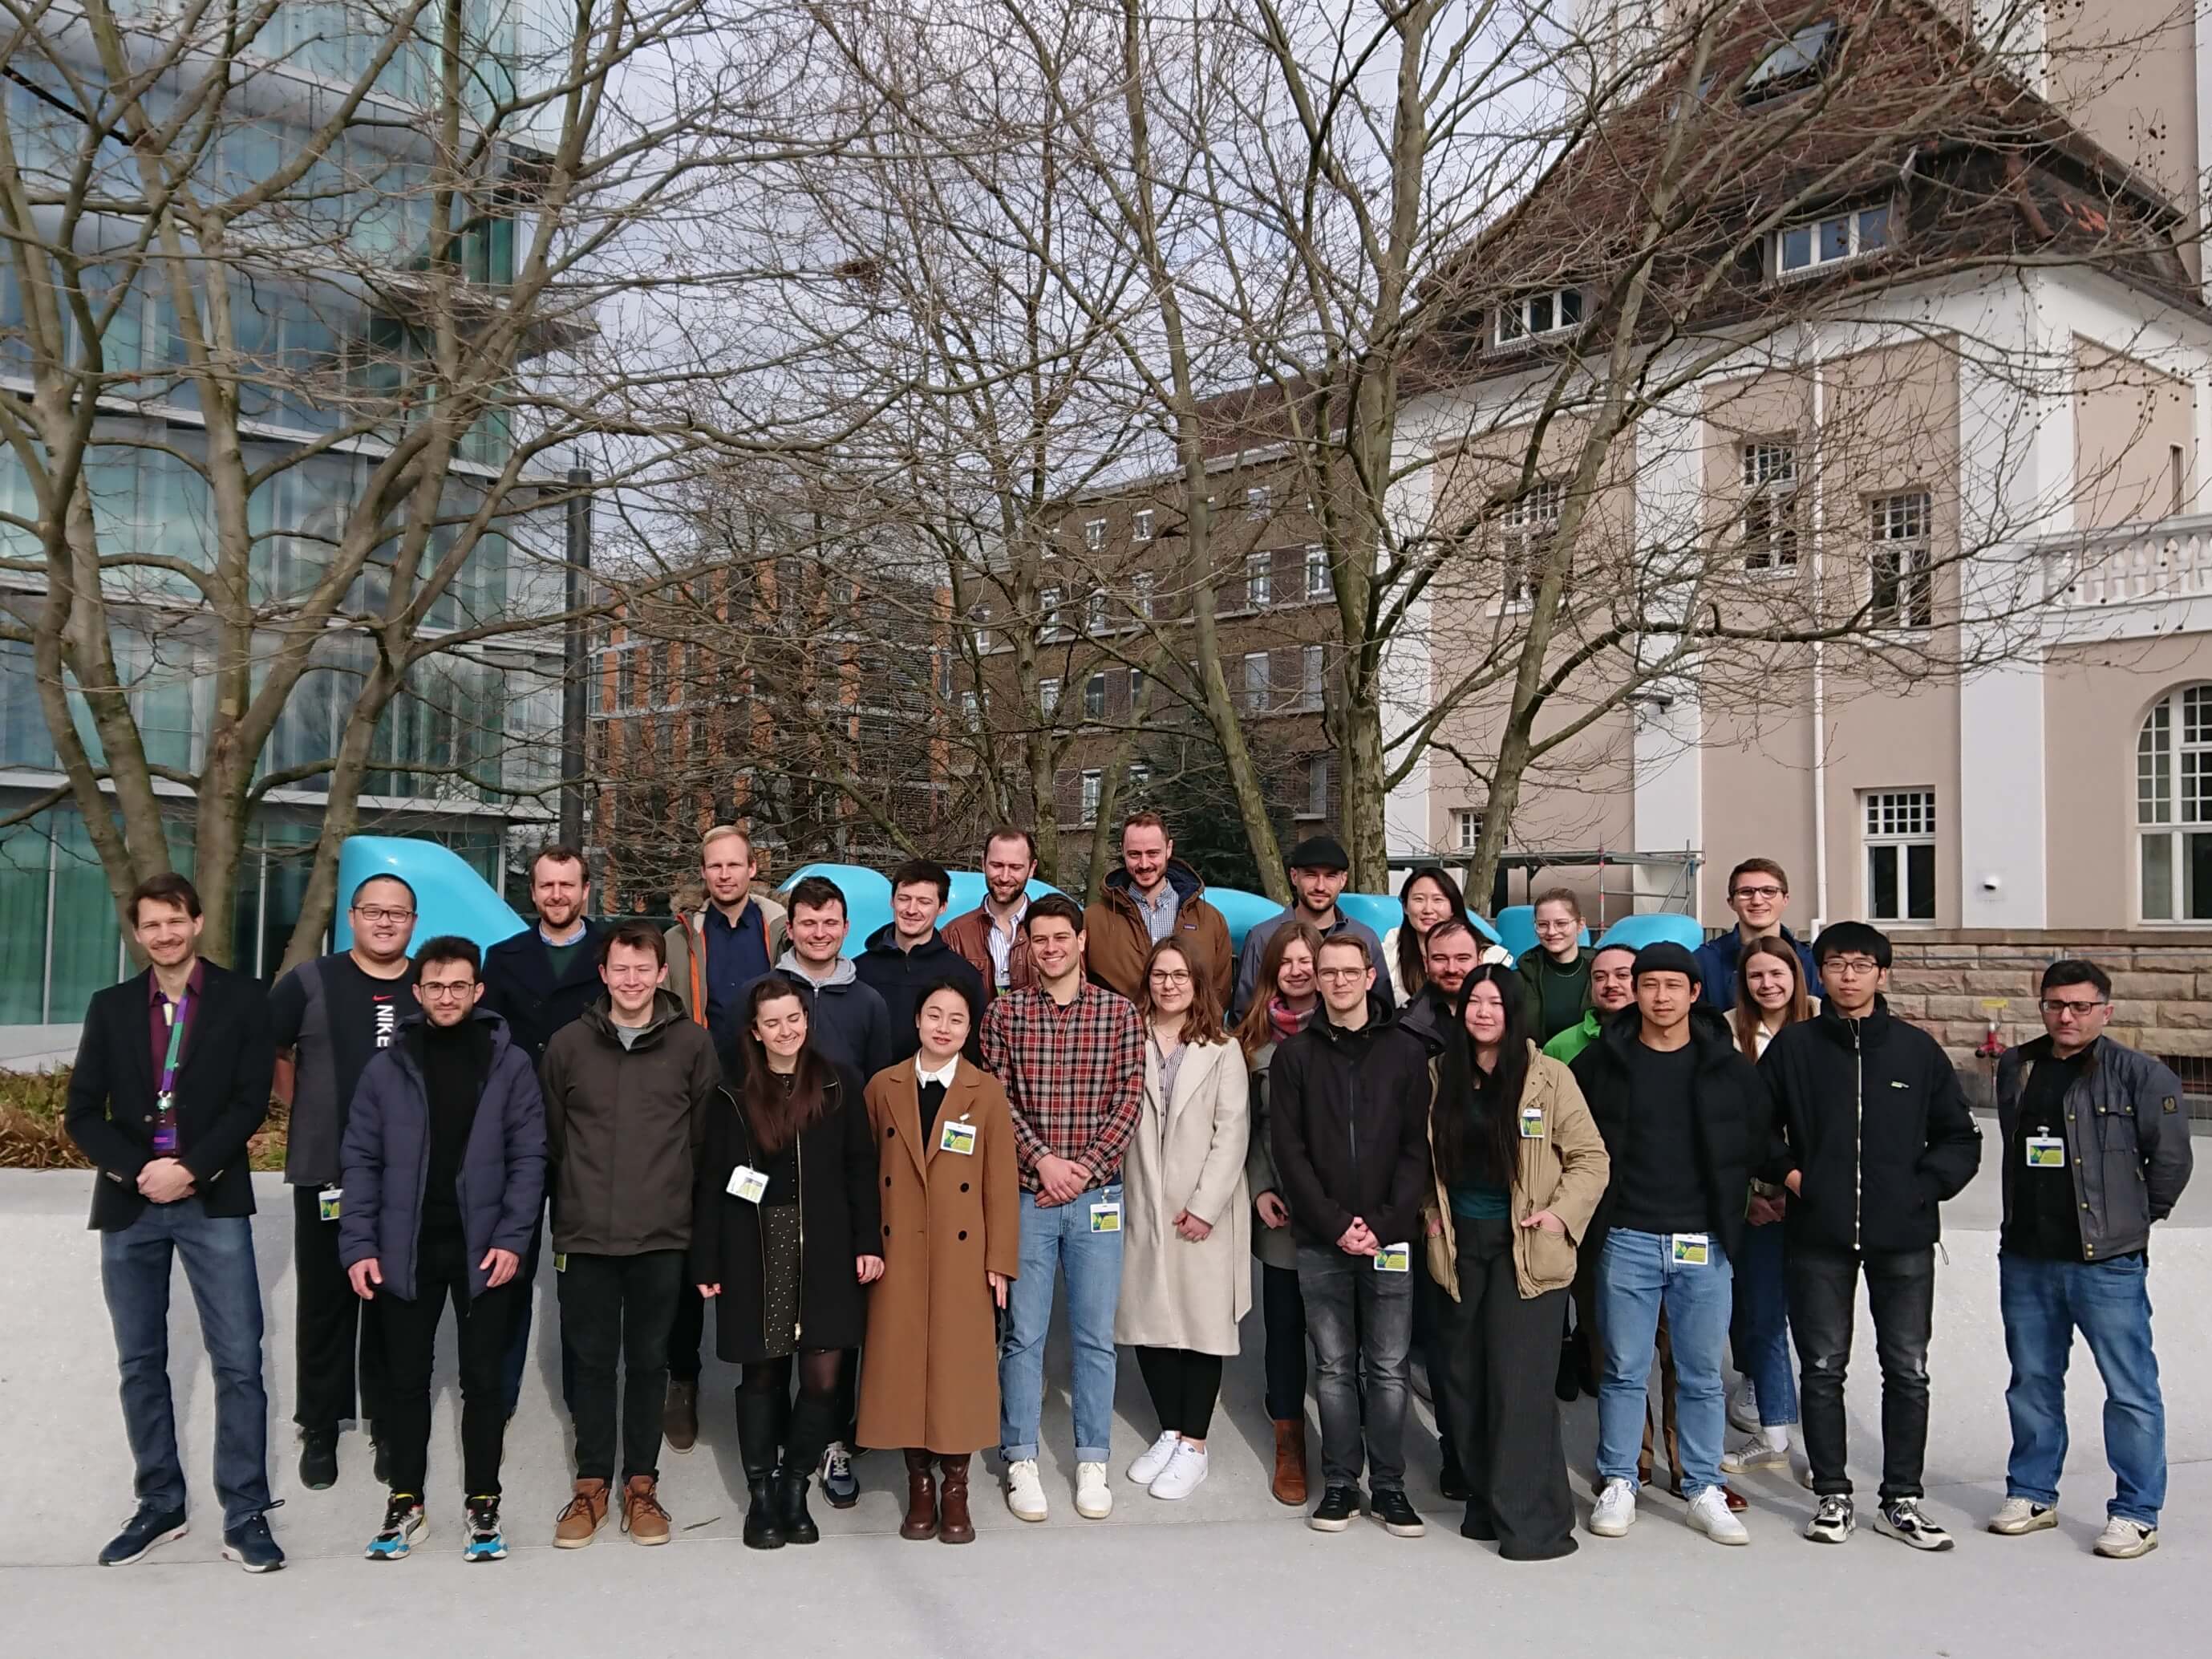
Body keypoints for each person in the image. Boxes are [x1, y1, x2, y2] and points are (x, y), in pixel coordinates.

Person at [67, 874, 284, 1572]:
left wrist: (190, 1168)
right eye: (151, 925)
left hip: (210, 1199)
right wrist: (139, 1172)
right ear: (137, 933)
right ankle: (159, 1503)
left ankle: (245, 1513)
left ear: (196, 921)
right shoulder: (110, 1008)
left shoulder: (244, 1000)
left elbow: (252, 1101)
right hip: (131, 1205)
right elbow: (80, 1114)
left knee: (239, 1362)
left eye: (175, 920)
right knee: (139, 1363)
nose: (165, 934)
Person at [1761, 920, 1982, 1550]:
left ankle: (1902, 1499)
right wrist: (1794, 1177)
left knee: (1907, 1369)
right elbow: (1754, 1128)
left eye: (1862, 965)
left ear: (1883, 975)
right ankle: (1832, 1493)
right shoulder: (1796, 1049)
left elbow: (1960, 1138)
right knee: (1824, 1367)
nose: (1849, 976)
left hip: (1903, 1237)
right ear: (1820, 973)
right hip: (1819, 1234)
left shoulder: (1916, 1051)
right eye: (1837, 964)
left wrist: (1922, 1190)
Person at [338, 937, 546, 1564]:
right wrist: (359, 1244)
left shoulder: (509, 1064)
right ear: (418, 991)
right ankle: (407, 1502)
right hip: (404, 1249)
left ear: (478, 991)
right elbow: (361, 1160)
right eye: (436, 986)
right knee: (406, 1382)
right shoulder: (387, 1067)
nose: (447, 996)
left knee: (484, 1382)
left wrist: (513, 1239)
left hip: (485, 1250)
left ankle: (484, 1502)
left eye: (459, 986)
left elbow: (529, 1158)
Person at [1989, 959, 2192, 1559]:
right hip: (2027, 1257)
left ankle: (2136, 1512)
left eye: (2080, 1006)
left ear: (2105, 1009)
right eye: (2055, 1004)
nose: (2067, 1016)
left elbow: (2171, 1165)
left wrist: (2129, 1224)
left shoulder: (2140, 1074)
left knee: (2129, 1389)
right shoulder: (2018, 1066)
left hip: (2107, 1263)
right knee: (2031, 1383)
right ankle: (2031, 1493)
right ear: (2042, 1006)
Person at [1570, 942, 1765, 1547]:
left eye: (1671, 986)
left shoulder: (1725, 1065)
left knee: (1703, 1373)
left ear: (1693, 994)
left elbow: (1758, 1137)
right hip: (1626, 1236)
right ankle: (1620, 1479)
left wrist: (1781, 1182)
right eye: (1648, 985)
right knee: (1625, 1370)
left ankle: (1703, 1485)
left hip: (1703, 1242)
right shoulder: (1604, 1063)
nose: (1659, 997)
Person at [540, 923, 721, 1549]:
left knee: (649, 1363)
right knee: (590, 1365)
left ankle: (641, 1486)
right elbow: (556, 1141)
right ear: (604, 974)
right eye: (621, 969)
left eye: (644, 969)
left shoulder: (693, 1047)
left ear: (661, 974)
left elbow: (702, 1142)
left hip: (661, 1236)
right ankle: (591, 1486)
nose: (633, 980)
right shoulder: (567, 1045)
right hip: (586, 1235)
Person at [1425, 967, 1609, 1560]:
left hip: (1525, 1243)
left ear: (1514, 1012)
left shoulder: (1549, 1078)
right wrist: (1430, 1213)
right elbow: (1420, 1159)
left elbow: (1590, 1158)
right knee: (1462, 1379)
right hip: (1459, 1243)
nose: (1482, 1011)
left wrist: (1559, 1215)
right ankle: (1486, 1502)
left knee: (1519, 1382)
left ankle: (1535, 1524)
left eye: (1494, 1002)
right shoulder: (1437, 1076)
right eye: (1472, 1001)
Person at [692, 978, 881, 1549]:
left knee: (824, 1380)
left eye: (793, 1018)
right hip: (757, 1246)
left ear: (808, 1018)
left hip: (826, 1245)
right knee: (764, 1374)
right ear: (754, 1030)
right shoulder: (732, 1092)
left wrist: (868, 1242)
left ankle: (796, 1482)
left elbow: (859, 1168)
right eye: (772, 1022)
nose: (785, 1031)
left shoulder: (837, 1082)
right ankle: (761, 1493)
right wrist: (707, 1256)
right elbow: (711, 1180)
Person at [981, 894, 1144, 1523]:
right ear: (1028, 946)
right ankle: (1020, 1455)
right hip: (1030, 1195)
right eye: (1039, 939)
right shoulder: (1005, 1014)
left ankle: (1092, 1458)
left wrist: (1082, 1172)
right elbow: (997, 1101)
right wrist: (1045, 1163)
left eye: (1060, 938)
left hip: (1097, 1196)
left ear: (1081, 942)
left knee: (1093, 1336)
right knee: (1023, 1334)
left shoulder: (1118, 1014)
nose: (1050, 948)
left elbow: (1129, 1101)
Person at [1268, 932, 1432, 1539]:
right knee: (1334, 1367)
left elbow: (1417, 1149)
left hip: (1391, 1237)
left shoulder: (1405, 1052)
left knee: (1388, 1367)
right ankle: (1341, 1483)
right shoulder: (1295, 1057)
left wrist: (1384, 1225)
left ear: (1370, 977)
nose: (1336, 981)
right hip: (1321, 1239)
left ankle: (1389, 1487)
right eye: (1326, 972)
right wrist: (1338, 1225)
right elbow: (1290, 1151)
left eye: (1347, 971)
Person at [745, 872, 894, 1502]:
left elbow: (880, 1089)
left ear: (845, 926)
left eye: (830, 921)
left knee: (835, 1335)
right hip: (773, 1200)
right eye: (808, 922)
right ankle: (776, 1452)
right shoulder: (764, 995)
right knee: (774, 1339)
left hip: (836, 1193)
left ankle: (829, 1444)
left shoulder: (867, 1003)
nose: (820, 931)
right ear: (791, 928)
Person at [269, 872, 418, 1489]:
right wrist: (302, 1109)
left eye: (398, 914)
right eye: (373, 911)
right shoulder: (309, 982)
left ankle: (388, 1424)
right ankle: (322, 1426)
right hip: (327, 1173)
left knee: (392, 1305)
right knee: (327, 1304)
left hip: (407, 1178)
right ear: (352, 917)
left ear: (413, 921)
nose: (385, 923)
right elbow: (271, 1051)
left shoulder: (427, 984)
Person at [858, 980, 1020, 1546]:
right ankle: (917, 1485)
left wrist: (999, 1259)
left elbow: (1000, 1182)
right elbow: (864, 1173)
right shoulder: (884, 1086)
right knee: (903, 1370)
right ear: (917, 1021)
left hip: (962, 1255)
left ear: (969, 1028)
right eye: (934, 1015)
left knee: (958, 1372)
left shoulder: (985, 1091)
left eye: (956, 1018)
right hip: (898, 1251)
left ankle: (956, 1487)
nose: (944, 1027)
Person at [1116, 939, 1251, 1501]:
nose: (1168, 984)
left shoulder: (1222, 1049)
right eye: (1159, 975)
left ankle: (1194, 1444)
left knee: (1201, 1329)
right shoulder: (1126, 1040)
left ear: (1199, 983)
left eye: (1179, 976)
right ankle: (1169, 1429)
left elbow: (1233, 1132)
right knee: (1150, 1322)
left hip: (1203, 1210)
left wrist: (1204, 1205)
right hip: (1143, 1201)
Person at [482, 844, 608, 1417]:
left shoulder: (613, 954)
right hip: (521, 1136)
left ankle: (585, 1395)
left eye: (568, 884)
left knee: (583, 1277)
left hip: (590, 1136)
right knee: (509, 1263)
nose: (557, 895)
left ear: (586, 890)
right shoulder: (503, 957)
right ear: (531, 892)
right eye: (546, 885)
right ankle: (498, 1393)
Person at [1393, 917, 1493, 1503]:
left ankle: (1497, 1446)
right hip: (1438, 1209)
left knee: (1496, 1343)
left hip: (1502, 1208)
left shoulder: (1503, 1018)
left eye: (1462, 958)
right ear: (1426, 963)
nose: (1452, 969)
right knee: (1449, 1347)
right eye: (1442, 959)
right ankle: (1456, 1453)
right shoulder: (1409, 1032)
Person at [1234, 917, 1326, 1507]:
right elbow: (1247, 1126)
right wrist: (1260, 1187)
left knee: (1347, 1333)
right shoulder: (1252, 1043)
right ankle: (1288, 1437)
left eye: (1306, 961)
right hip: (1282, 1208)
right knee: (1285, 1326)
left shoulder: (1354, 1031)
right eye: (1285, 962)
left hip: (1343, 1206)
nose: (1297, 971)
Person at [1720, 936, 1813, 1480]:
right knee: (1762, 1314)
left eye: (1777, 973)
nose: (1767, 984)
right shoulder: (1729, 1032)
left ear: (1796, 976)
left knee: (1817, 1323)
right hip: (1757, 1197)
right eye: (1756, 976)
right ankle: (1774, 1431)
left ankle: (1820, 1443)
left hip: (1817, 1196)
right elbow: (1731, 1122)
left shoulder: (1823, 1024)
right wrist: (1753, 1192)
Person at [1231, 834, 1392, 1020]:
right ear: (1294, 876)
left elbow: (1383, 1010)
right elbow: (1244, 1011)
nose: (1320, 886)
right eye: (1311, 875)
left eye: (1330, 876)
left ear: (1343, 880)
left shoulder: (1364, 937)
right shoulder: (1263, 937)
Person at [1084, 811, 1234, 1007]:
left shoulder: (1210, 920)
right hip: (1121, 1035)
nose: (1144, 864)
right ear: (1123, 851)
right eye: (1134, 855)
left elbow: (1219, 994)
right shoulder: (1092, 921)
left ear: (1169, 849)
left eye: (1153, 853)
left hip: (1191, 1035)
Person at [857, 858, 987, 1063]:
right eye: (904, 899)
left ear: (942, 907)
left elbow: (973, 1051)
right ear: (892, 901)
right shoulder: (859, 971)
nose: (911, 910)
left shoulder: (963, 975)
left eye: (924, 902)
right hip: (870, 1091)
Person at [665, 824, 788, 1032]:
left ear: (752, 868)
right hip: (702, 1062)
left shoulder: (784, 932)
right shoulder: (676, 941)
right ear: (703, 871)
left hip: (768, 1063)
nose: (724, 875)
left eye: (734, 865)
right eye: (715, 866)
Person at [1694, 857, 1819, 1012]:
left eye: (1768, 891)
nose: (1757, 900)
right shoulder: (1703, 962)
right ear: (1731, 902)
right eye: (1746, 892)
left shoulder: (1811, 962)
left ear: (1785, 900)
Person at [941, 826, 1039, 1003]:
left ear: (1032, 868)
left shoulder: (1054, 933)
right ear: (983, 862)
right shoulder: (954, 935)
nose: (1004, 877)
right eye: (997, 865)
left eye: (1015, 867)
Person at [1383, 866, 1506, 1006]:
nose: (1428, 910)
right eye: (1419, 899)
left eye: (1438, 900)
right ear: (1405, 906)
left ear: (1453, 907)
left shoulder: (1490, 957)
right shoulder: (1391, 949)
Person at [1513, 887, 1591, 1044]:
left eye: (1561, 923)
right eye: (1542, 924)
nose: (1551, 932)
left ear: (1580, 925)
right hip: (1539, 1066)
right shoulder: (1520, 979)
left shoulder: (1601, 972)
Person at [1541, 941, 1637, 1066]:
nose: (1610, 984)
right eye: (1600, 977)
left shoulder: (1662, 1037)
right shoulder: (1558, 1047)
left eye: (1622, 975)